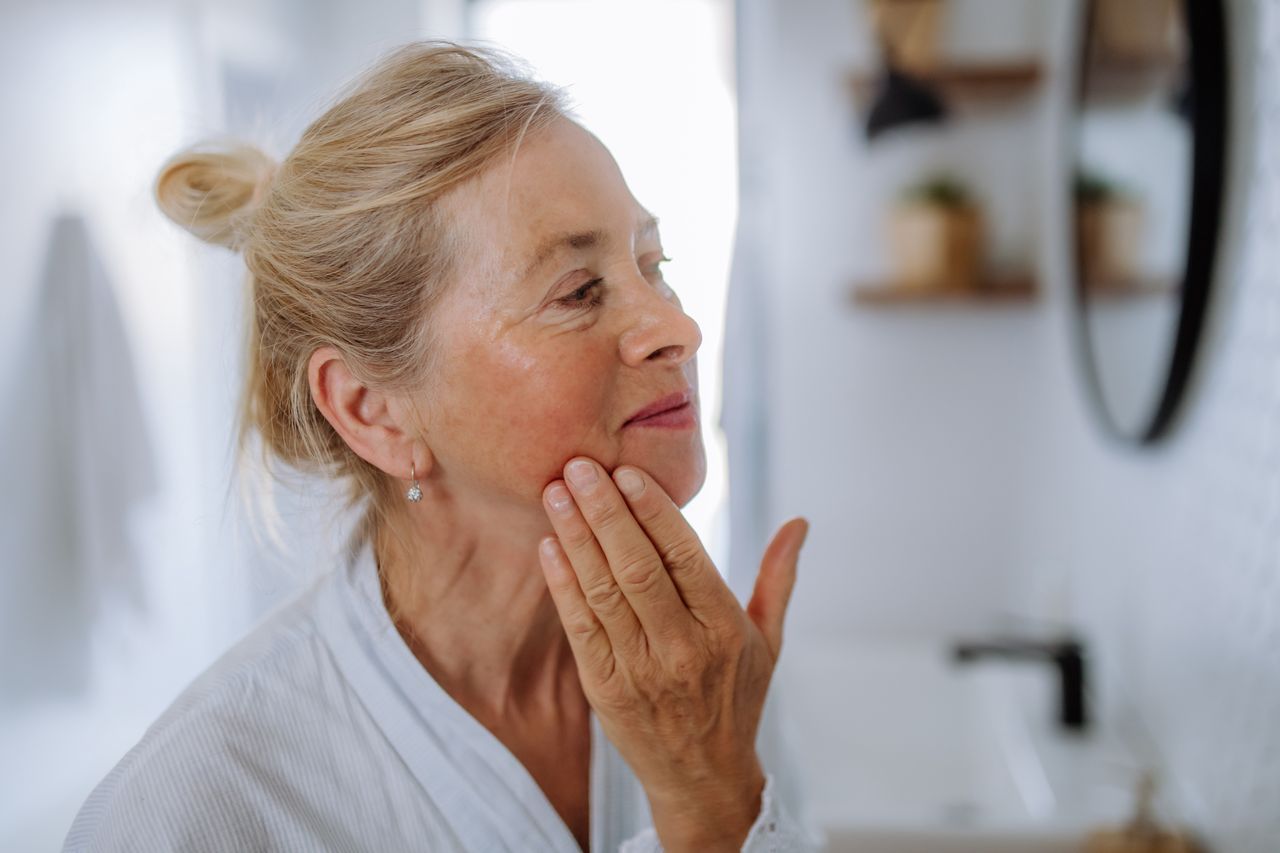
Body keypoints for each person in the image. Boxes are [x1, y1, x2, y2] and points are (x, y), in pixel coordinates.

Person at [63, 40, 818, 852]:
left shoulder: (704, 680)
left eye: (653, 263)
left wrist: (717, 778)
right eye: (579, 291)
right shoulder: (196, 807)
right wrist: (704, 796)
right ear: (373, 412)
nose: (680, 327)